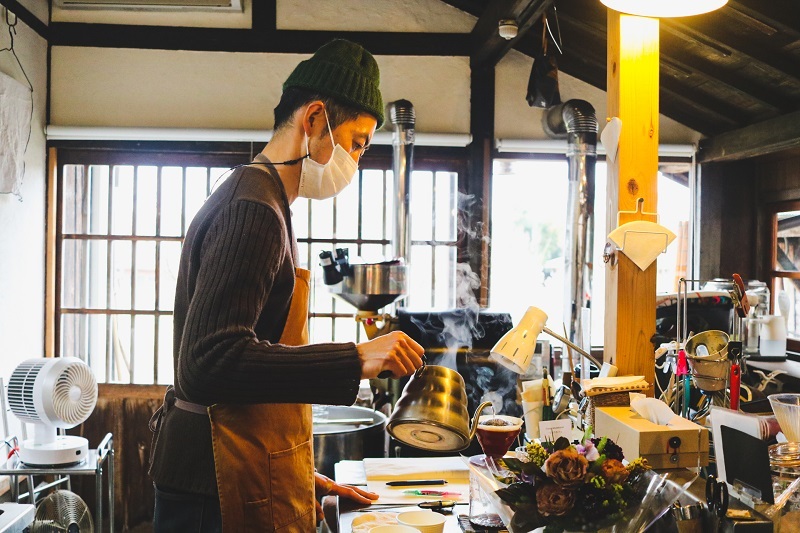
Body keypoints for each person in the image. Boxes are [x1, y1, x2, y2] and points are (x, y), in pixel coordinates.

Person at [148, 39, 425, 533]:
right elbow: (209, 362)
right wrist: (356, 358)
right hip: (210, 484)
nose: (358, 160)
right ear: (315, 120)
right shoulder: (253, 209)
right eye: (357, 142)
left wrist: (299, 474)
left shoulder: (264, 199)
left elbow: (247, 365)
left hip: (231, 465)